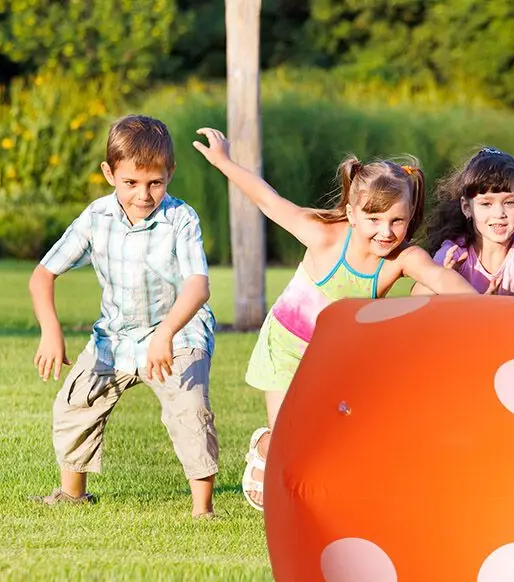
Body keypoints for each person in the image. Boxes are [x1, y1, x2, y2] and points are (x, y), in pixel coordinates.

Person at [192, 127, 477, 510]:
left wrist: (482, 308)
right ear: (352, 213)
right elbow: (268, 200)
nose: (386, 231)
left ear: (410, 215)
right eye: (374, 218)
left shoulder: (403, 258)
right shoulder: (324, 236)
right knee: (290, 439)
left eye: (397, 220)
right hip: (286, 348)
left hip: (334, 357)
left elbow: (438, 277)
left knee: (333, 434)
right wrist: (224, 161)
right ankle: (267, 445)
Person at [29, 115, 219, 519]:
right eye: (131, 182)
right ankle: (72, 495)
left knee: (189, 408)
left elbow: (198, 287)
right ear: (109, 173)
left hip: (178, 333)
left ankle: (202, 510)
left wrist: (166, 333)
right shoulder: (96, 217)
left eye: (155, 183)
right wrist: (50, 330)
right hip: (115, 337)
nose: (143, 195)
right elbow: (42, 275)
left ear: (170, 173)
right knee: (75, 403)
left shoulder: (181, 219)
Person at [412, 147, 514, 295]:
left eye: (509, 202)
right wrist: (444, 277)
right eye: (486, 204)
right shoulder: (454, 252)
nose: (499, 213)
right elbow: (417, 295)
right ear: (466, 207)